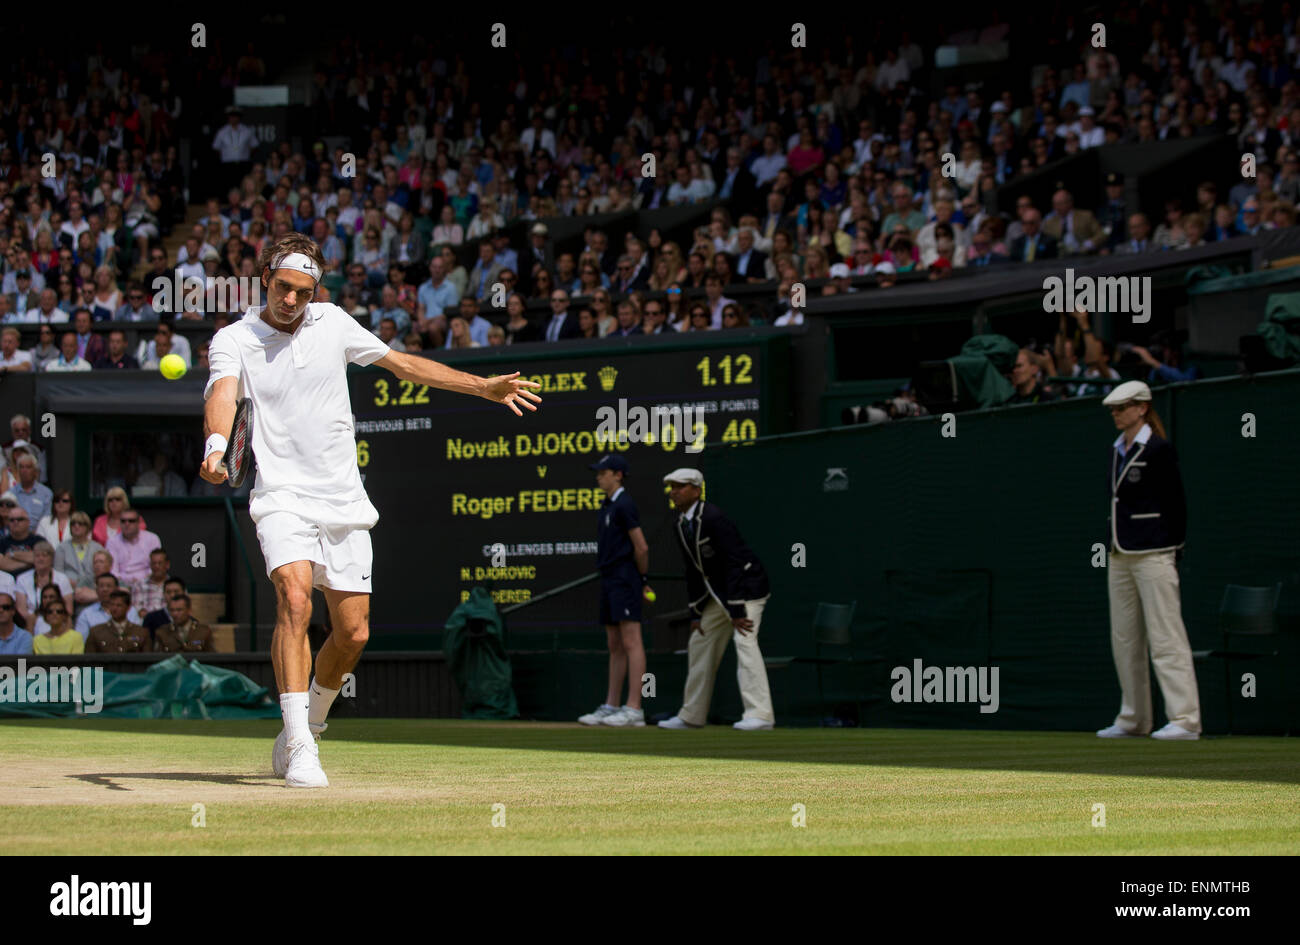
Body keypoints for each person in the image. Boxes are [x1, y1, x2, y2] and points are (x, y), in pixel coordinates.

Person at [200, 232, 540, 788]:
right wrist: (216, 447)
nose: (291, 300)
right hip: (282, 496)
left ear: (315, 292)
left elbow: (403, 365)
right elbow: (222, 395)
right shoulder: (233, 339)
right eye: (284, 288)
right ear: (266, 279)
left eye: (303, 292)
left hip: (343, 501)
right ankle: (302, 746)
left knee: (353, 634)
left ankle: (305, 727)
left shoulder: (333, 322)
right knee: (293, 599)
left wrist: (483, 388)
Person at [1097, 381, 1201, 741]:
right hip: (1120, 553)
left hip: (1154, 552)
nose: (1116, 413)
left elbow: (1176, 502)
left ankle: (1186, 720)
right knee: (1124, 638)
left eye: (1122, 407)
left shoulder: (1158, 449)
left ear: (1142, 408)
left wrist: (1171, 548)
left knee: (1166, 637)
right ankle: (1133, 719)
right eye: (1113, 408)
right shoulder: (1116, 450)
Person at [657, 469, 776, 731]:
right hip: (719, 594)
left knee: (745, 641)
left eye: (680, 486)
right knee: (700, 642)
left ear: (697, 490)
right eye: (672, 487)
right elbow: (693, 570)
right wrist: (695, 612)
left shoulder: (713, 517)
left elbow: (734, 563)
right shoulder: (680, 523)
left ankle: (761, 715)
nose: (674, 491)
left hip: (748, 588)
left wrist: (735, 609)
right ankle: (692, 715)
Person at [577, 455, 651, 728]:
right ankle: (611, 705)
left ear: (618, 475)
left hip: (625, 578)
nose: (599, 477)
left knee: (632, 641)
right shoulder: (607, 505)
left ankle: (634, 708)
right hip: (609, 578)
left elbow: (641, 547)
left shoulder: (624, 505)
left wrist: (642, 579)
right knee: (614, 644)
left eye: (603, 472)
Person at [76, 571, 143, 640]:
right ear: (96, 590)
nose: (105, 589)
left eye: (109, 586)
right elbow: (82, 641)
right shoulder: (86, 614)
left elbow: (137, 637)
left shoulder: (130, 611)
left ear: (117, 589)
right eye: (101, 586)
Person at [104, 509, 161, 586]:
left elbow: (156, 566)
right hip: (121, 585)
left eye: (131, 521)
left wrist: (141, 581)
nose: (127, 524)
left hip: (148, 583)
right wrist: (125, 583)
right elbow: (112, 570)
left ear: (138, 523)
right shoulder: (112, 542)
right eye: (123, 521)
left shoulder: (152, 539)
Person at [85, 589, 152, 653]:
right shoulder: (96, 632)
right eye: (112, 605)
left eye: (119, 605)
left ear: (128, 607)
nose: (114, 608)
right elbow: (89, 659)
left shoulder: (141, 632)